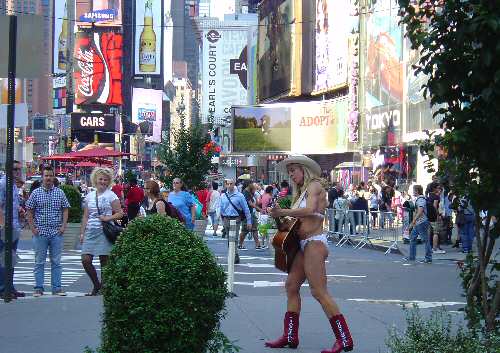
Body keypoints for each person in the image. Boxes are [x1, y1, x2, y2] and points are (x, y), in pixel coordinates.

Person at [266, 155, 353, 352]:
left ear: (304, 169)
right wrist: (279, 218)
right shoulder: (299, 193)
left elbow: (311, 209)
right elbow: (295, 224)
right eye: (289, 171)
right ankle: (290, 336)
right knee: (291, 286)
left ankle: (344, 339)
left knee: (319, 292)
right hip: (303, 244)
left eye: (293, 170)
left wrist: (282, 212)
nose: (291, 174)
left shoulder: (314, 186)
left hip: (314, 243)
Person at [26, 166, 71, 297]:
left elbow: (65, 209)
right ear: (42, 177)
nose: (48, 178)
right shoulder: (35, 193)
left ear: (53, 177)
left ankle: (57, 288)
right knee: (39, 262)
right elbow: (29, 210)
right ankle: (38, 288)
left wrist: (63, 226)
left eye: (50, 176)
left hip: (56, 232)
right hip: (40, 233)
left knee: (56, 262)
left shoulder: (60, 192)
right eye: (46, 176)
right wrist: (32, 227)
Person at [80, 168, 123, 296]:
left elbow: (120, 213)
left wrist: (107, 218)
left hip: (104, 231)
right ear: (95, 180)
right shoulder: (89, 196)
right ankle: (96, 285)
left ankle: (103, 288)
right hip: (90, 231)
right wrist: (82, 233)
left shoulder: (111, 195)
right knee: (85, 260)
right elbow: (86, 216)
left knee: (104, 261)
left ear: (109, 181)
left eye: (105, 179)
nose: (103, 181)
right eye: (100, 179)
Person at [0, 160, 26, 299]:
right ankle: (3, 287)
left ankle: (10, 286)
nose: (18, 172)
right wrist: (3, 225)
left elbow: (12, 204)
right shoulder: (3, 184)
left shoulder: (13, 185)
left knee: (11, 257)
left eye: (19, 169)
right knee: (5, 257)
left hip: (14, 225)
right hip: (6, 227)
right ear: (8, 170)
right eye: (15, 169)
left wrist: (20, 210)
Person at [219, 178, 252, 264]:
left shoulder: (240, 196)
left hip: (236, 219)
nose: (229, 186)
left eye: (231, 184)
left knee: (234, 238)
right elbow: (221, 207)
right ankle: (233, 254)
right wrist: (221, 218)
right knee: (229, 238)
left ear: (234, 185)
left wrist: (249, 221)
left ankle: (234, 255)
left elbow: (246, 209)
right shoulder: (223, 196)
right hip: (226, 218)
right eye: (228, 184)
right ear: (225, 185)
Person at [406, 184, 432, 263]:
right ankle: (412, 256)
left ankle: (428, 258)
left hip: (421, 222)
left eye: (413, 190)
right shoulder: (419, 199)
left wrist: (413, 221)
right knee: (412, 238)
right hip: (419, 222)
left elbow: (420, 211)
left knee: (425, 240)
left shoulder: (421, 199)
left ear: (417, 191)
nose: (413, 192)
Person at [238, 181, 263, 250]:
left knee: (254, 228)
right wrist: (259, 209)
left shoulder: (250, 192)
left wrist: (254, 191)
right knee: (245, 229)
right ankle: (240, 244)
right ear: (249, 185)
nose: (254, 185)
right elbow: (250, 204)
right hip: (246, 213)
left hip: (251, 212)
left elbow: (255, 201)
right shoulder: (245, 192)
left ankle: (257, 244)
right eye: (252, 184)